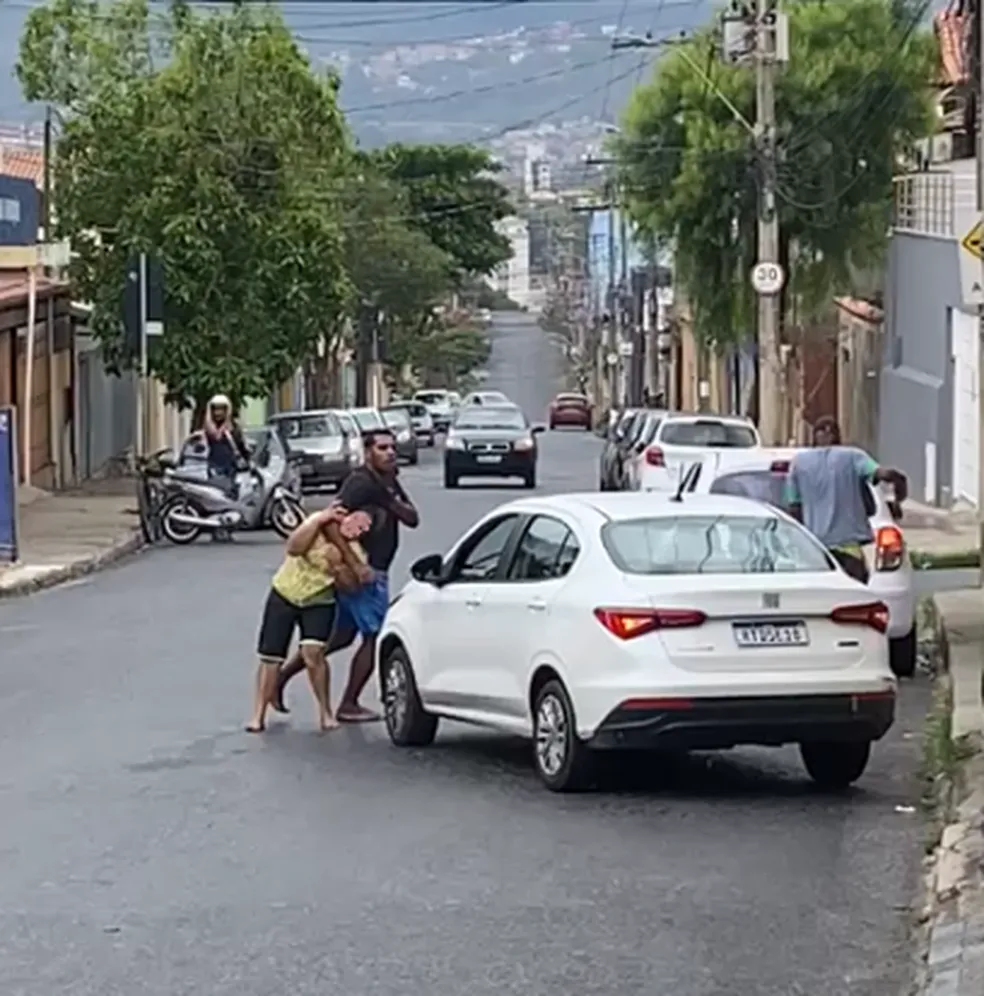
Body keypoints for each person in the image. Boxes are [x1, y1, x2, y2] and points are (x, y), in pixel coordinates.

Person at [273, 428, 419, 722]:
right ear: (367, 452)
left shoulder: (387, 482)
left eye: (391, 447)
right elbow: (329, 523)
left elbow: (412, 518)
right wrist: (355, 564)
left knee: (339, 637)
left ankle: (280, 678)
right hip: (366, 573)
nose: (390, 452)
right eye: (381, 448)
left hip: (373, 570)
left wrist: (388, 498)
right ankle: (349, 703)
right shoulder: (359, 483)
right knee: (373, 636)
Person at [246, 505, 373, 734]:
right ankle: (258, 714)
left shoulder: (356, 552)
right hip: (284, 592)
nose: (355, 528)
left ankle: (325, 712)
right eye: (353, 520)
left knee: (313, 654)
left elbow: (352, 587)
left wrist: (336, 567)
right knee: (271, 657)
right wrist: (317, 521)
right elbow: (294, 548)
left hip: (318, 600)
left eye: (362, 528)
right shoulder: (316, 523)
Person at [784, 416, 907, 584]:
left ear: (814, 437)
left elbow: (794, 509)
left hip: (816, 552)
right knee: (855, 602)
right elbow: (885, 475)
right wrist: (898, 496)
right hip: (849, 552)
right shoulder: (853, 457)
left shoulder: (798, 464)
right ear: (837, 436)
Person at [203, 394, 250, 497]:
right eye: (215, 409)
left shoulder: (234, 427)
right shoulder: (209, 427)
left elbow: (241, 445)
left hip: (231, 468)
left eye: (221, 409)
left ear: (227, 410)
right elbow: (210, 437)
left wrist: (247, 459)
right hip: (214, 466)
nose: (218, 413)